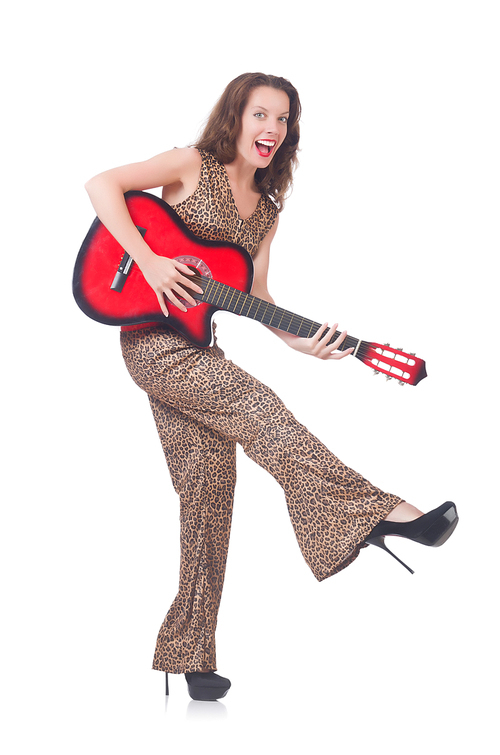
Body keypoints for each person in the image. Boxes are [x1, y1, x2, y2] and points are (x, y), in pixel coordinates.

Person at [84, 72, 458, 702]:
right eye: (262, 114)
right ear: (236, 117)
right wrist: (148, 260)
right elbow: (102, 185)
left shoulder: (267, 214)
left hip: (198, 343)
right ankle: (376, 512)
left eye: (284, 120)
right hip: (152, 343)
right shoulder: (191, 165)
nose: (273, 129)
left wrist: (302, 341)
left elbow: (256, 298)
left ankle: (189, 656)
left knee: (208, 496)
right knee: (260, 408)